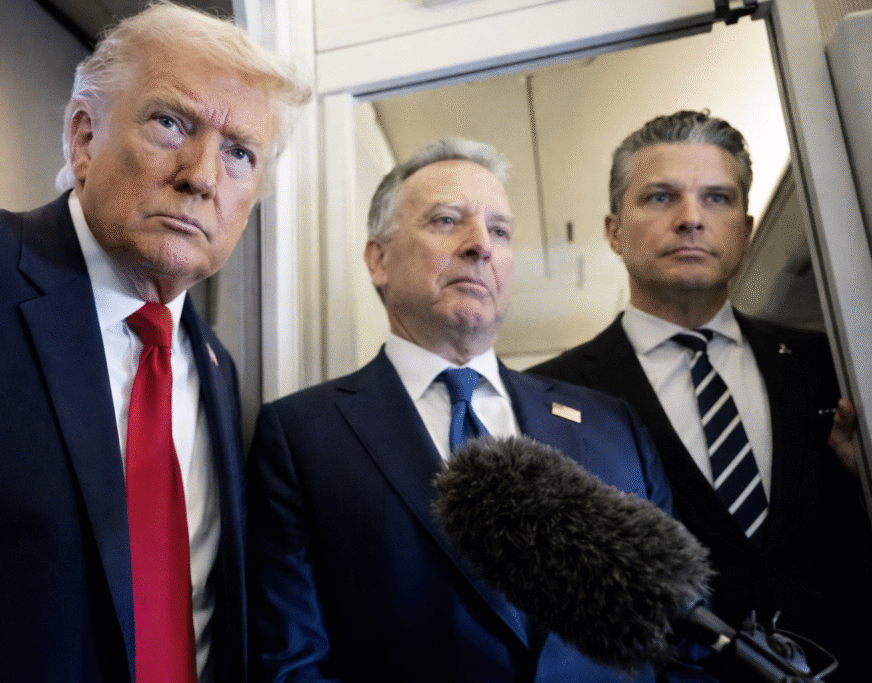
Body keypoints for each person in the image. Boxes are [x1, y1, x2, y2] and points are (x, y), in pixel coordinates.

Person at [0, 2, 311, 682]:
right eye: (170, 122)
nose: (203, 175)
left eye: (240, 152)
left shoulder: (218, 368)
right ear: (83, 137)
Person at [247, 138, 710, 682]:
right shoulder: (302, 435)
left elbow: (681, 643)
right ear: (379, 259)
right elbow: (291, 662)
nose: (480, 246)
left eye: (500, 231)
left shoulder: (614, 425)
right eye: (447, 221)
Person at [530, 110, 872, 679]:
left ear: (746, 228)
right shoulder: (551, 398)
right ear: (614, 231)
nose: (691, 219)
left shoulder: (835, 367)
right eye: (660, 198)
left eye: (717, 198)